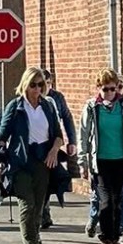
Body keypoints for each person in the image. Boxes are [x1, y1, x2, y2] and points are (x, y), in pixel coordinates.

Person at [0, 66, 66, 244]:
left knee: (38, 207)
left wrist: (54, 151)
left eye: (40, 85)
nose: (37, 89)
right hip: (21, 162)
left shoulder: (48, 106)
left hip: (44, 162)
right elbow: (2, 136)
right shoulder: (15, 107)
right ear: (25, 85)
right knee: (27, 204)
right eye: (33, 85)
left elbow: (58, 135)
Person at [78, 69, 123, 244]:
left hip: (121, 161)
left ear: (117, 88)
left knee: (117, 202)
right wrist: (83, 162)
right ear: (99, 88)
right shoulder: (92, 107)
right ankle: (106, 241)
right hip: (101, 162)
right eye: (105, 89)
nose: (109, 93)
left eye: (112, 89)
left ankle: (115, 242)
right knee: (105, 203)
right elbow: (83, 135)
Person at [40, 75, 78, 232]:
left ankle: (44, 210)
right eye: (42, 83)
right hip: (37, 147)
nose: (45, 87)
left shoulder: (56, 98)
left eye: (48, 83)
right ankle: (42, 213)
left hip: (53, 144)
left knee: (49, 180)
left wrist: (72, 141)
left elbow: (67, 118)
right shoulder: (30, 98)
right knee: (40, 181)